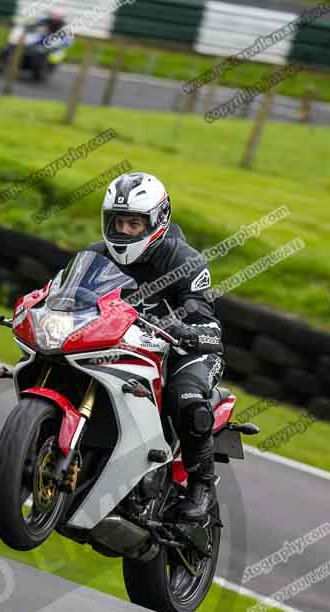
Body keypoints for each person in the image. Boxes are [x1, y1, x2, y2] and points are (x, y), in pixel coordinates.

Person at [85, 171, 225, 523]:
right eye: (118, 222)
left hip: (184, 350)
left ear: (158, 220)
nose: (123, 232)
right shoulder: (94, 256)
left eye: (134, 224)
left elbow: (203, 319)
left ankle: (200, 485)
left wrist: (187, 331)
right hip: (122, 345)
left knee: (185, 396)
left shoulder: (184, 261)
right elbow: (67, 295)